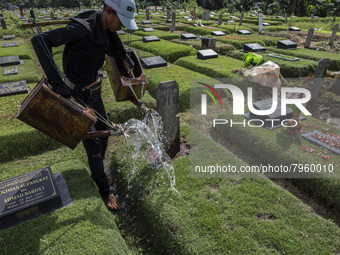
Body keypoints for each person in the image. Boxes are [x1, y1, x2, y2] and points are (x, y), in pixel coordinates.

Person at [31, 0, 138, 210]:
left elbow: (112, 39)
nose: (123, 27)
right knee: (93, 145)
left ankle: (97, 173)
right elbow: (39, 41)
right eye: (122, 21)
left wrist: (124, 57)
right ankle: (104, 191)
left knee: (104, 133)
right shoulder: (82, 28)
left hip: (95, 91)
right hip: (78, 95)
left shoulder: (106, 26)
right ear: (109, 11)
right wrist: (57, 83)